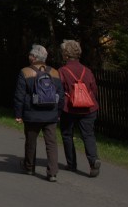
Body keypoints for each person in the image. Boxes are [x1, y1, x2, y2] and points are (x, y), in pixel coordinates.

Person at [13, 44, 63, 181]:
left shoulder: (25, 72)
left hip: (32, 113)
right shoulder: (54, 72)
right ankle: (52, 172)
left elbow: (19, 96)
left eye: (30, 55)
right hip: (51, 113)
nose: (29, 56)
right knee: (51, 143)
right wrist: (58, 113)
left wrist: (18, 114)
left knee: (31, 141)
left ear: (34, 57)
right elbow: (60, 95)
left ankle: (29, 167)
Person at [58, 39, 101, 177]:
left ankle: (71, 164)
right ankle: (93, 161)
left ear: (65, 54)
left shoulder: (63, 71)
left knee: (67, 135)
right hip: (88, 108)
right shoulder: (87, 71)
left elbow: (59, 90)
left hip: (69, 108)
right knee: (88, 135)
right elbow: (94, 89)